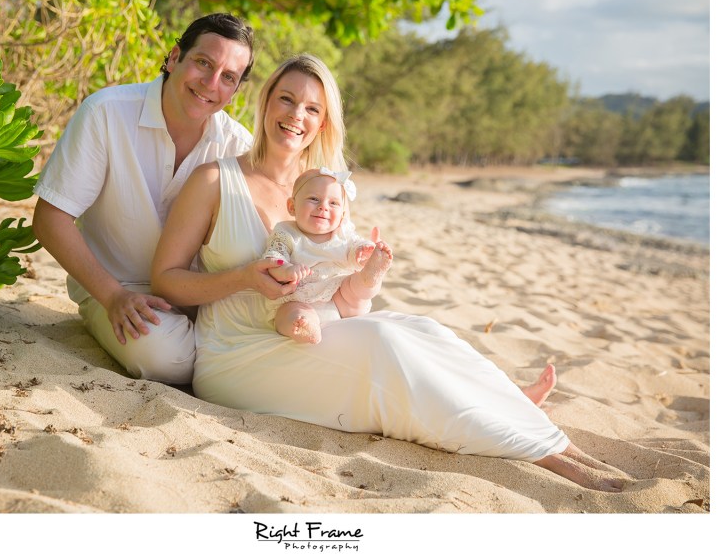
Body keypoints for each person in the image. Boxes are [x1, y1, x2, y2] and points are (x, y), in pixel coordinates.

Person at [151, 54, 631, 491]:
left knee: (421, 329)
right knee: (387, 348)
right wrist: (243, 278)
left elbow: (352, 303)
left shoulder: (327, 193)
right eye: (287, 99)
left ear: (323, 123)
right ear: (266, 103)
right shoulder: (215, 179)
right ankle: (542, 450)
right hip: (238, 356)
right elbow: (165, 278)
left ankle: (509, 405)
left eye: (313, 109)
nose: (297, 116)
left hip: (316, 330)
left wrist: (371, 273)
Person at [32, 13, 260, 385]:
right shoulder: (106, 112)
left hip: (200, 298)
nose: (211, 83)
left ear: (235, 91)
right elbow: (50, 218)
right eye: (203, 62)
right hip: (115, 287)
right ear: (174, 58)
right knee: (167, 360)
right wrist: (112, 296)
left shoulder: (239, 146)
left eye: (228, 77)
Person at [263, 167, 393, 344]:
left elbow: (354, 246)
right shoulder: (286, 233)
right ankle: (305, 327)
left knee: (356, 287)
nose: (323, 207)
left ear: (342, 215)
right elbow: (273, 259)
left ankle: (371, 276)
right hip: (301, 297)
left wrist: (363, 253)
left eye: (333, 203)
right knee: (288, 313)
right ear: (292, 207)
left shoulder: (342, 233)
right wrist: (286, 270)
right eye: (314, 199)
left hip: (340, 295)